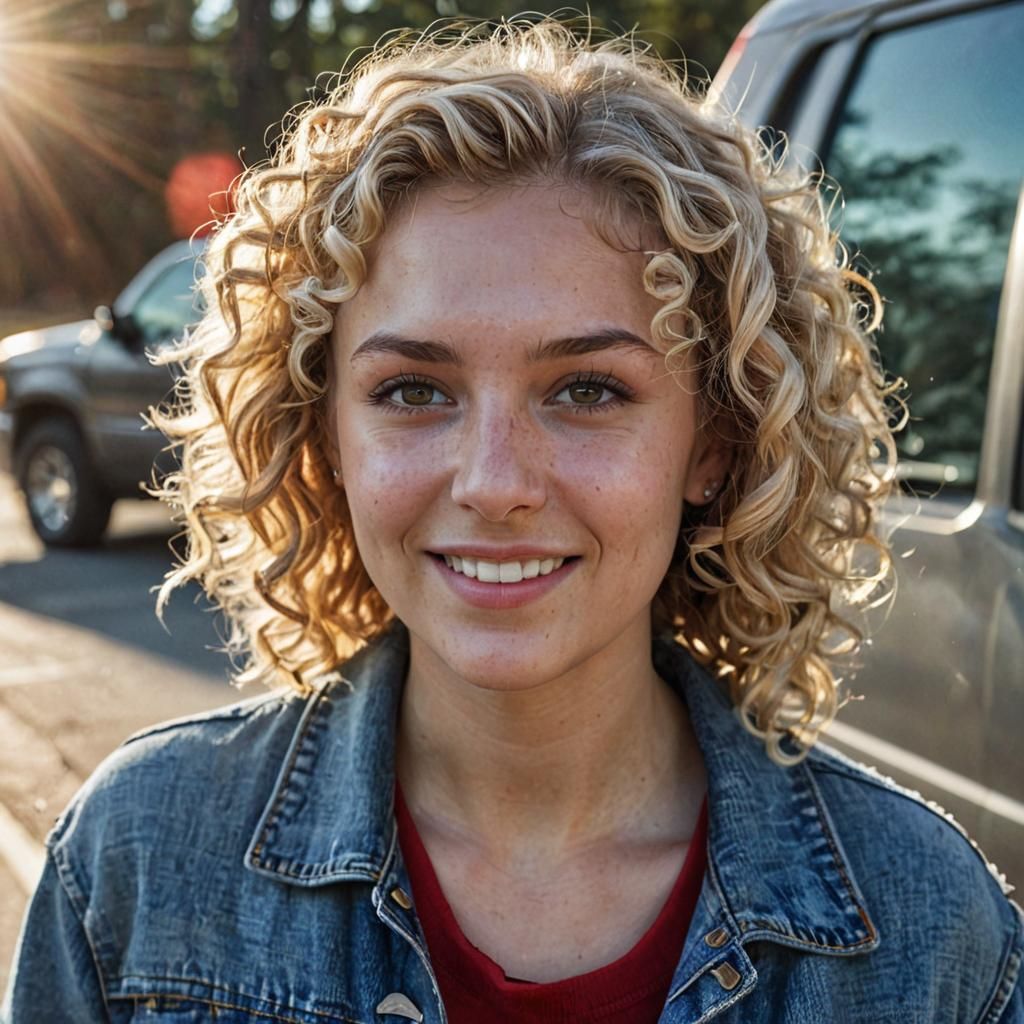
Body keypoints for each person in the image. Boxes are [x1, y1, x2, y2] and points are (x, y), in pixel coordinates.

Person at [4, 17, 1022, 1024]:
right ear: (324, 435)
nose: (494, 483)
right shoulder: (134, 866)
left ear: (712, 440)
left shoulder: (932, 929)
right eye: (411, 390)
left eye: (586, 388)